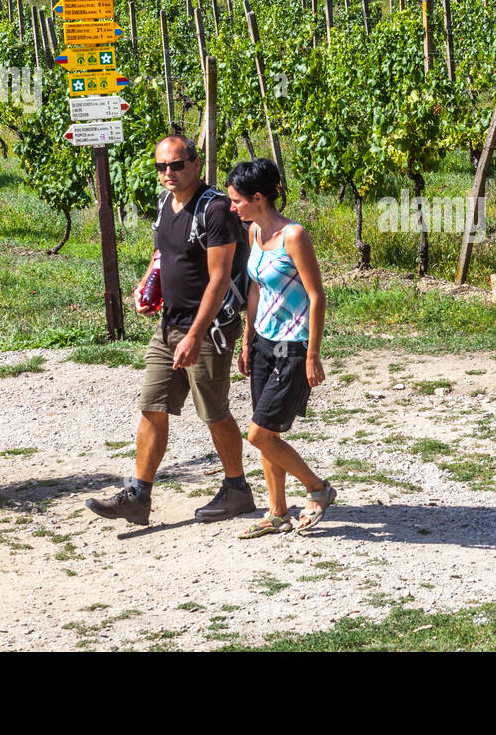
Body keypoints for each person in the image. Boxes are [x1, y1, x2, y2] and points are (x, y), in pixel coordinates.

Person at [85, 134, 255, 526]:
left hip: (207, 329)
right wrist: (147, 282)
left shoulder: (215, 210)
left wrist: (195, 335)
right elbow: (163, 251)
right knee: (152, 405)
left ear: (196, 164)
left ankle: (237, 490)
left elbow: (219, 277)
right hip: (169, 327)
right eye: (162, 166)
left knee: (214, 412)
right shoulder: (165, 203)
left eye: (177, 165)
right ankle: (139, 495)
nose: (168, 173)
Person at [225, 158, 335, 538]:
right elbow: (255, 288)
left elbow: (316, 295)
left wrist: (313, 354)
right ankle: (276, 512)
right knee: (266, 432)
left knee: (258, 434)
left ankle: (317, 487)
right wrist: (247, 339)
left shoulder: (294, 236)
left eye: (237, 200)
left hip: (293, 343)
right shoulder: (254, 232)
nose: (232, 207)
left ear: (258, 197)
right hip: (263, 343)